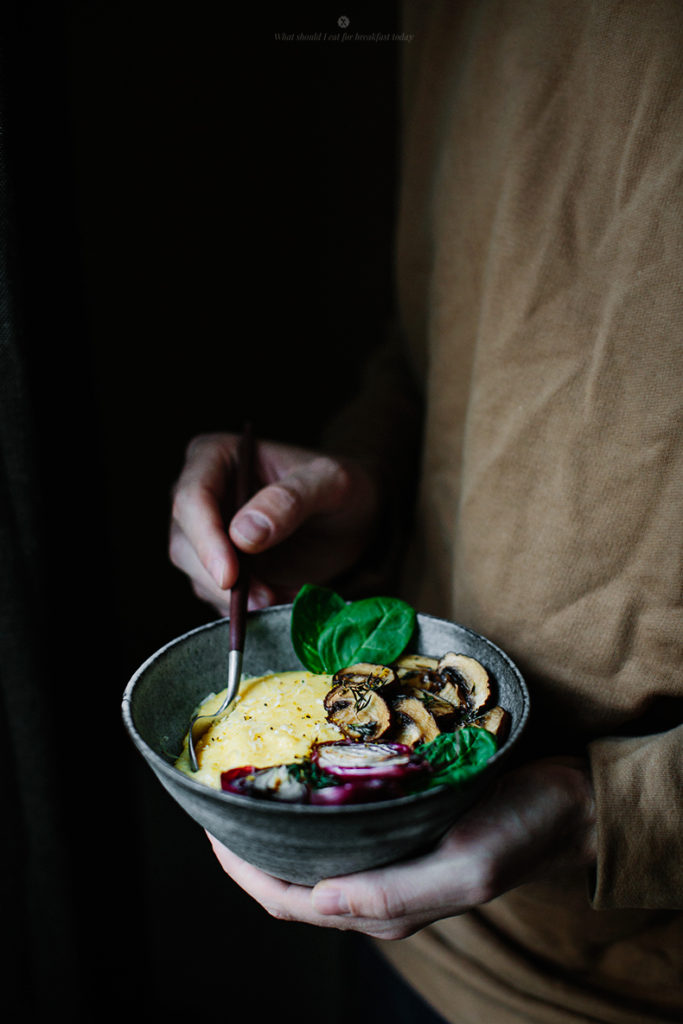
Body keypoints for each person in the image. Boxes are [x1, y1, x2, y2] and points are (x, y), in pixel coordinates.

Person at [168, 4, 683, 1023]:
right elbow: (440, 331)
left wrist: (612, 812)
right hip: (410, 923)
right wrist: (359, 476)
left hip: (614, 977)